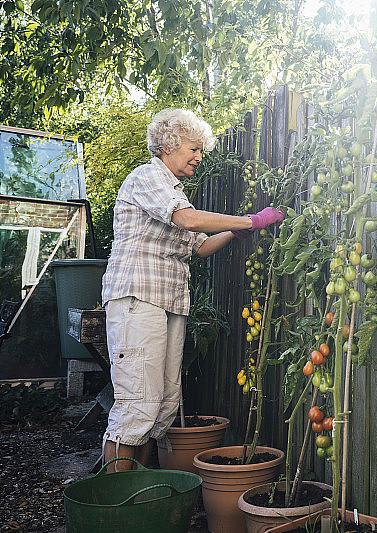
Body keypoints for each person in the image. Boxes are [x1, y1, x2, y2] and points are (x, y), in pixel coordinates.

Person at [100, 108, 283, 471]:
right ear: (169, 145)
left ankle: (141, 491)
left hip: (169, 303)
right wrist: (249, 219)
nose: (199, 157)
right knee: (137, 404)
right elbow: (186, 219)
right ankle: (116, 504)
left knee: (163, 406)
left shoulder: (173, 191)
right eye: (194, 149)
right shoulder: (147, 177)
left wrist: (238, 231)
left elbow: (198, 245)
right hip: (138, 299)